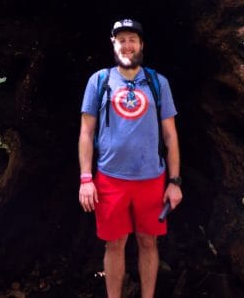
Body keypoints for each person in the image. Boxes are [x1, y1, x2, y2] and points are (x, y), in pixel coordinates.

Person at [79, 19, 182, 298]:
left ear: (141, 45)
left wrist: (174, 182)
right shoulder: (99, 80)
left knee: (148, 242)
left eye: (132, 40)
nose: (127, 45)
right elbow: (86, 133)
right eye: (121, 39)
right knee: (114, 244)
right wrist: (86, 179)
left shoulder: (157, 83)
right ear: (113, 44)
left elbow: (171, 136)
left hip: (151, 178)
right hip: (110, 179)